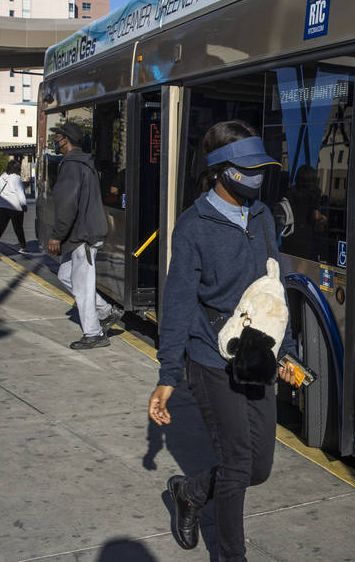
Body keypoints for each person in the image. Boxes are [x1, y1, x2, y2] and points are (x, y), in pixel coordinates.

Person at [148, 120, 302, 559]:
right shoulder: (193, 225)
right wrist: (168, 375)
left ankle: (190, 492)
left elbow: (274, 291)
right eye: (246, 167)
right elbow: (177, 305)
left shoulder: (264, 216)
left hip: (258, 358)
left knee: (259, 467)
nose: (256, 176)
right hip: (211, 358)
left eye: (260, 168)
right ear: (220, 170)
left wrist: (286, 350)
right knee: (236, 466)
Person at [46, 122, 122, 349]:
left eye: (58, 138)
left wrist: (57, 235)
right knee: (65, 275)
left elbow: (67, 204)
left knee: (83, 285)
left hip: (83, 235)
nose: (55, 142)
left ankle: (94, 333)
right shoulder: (82, 162)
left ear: (66, 140)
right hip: (84, 233)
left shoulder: (71, 165)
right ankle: (106, 311)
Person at [0, 159, 28, 253]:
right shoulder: (16, 178)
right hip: (15, 207)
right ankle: (23, 246)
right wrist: (24, 204)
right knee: (18, 228)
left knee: (0, 227)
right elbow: (20, 192)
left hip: (2, 206)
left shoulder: (3, 176)